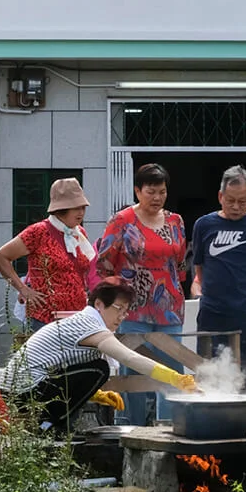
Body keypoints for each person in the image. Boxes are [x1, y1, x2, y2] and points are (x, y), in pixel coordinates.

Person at [0, 279, 199, 434]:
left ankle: (49, 425)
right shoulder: (89, 324)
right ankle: (48, 427)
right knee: (99, 369)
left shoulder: (85, 320)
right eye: (118, 309)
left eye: (126, 311)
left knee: (96, 367)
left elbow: (67, 370)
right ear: (99, 304)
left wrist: (96, 395)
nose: (122, 316)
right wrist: (175, 378)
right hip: (24, 390)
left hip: (20, 389)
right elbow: (129, 358)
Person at [94, 163, 189, 425]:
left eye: (162, 191)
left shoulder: (175, 221)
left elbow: (180, 265)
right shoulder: (121, 220)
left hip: (169, 308)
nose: (157, 198)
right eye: (151, 191)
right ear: (138, 190)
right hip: (131, 309)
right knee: (132, 370)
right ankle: (130, 428)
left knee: (172, 369)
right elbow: (103, 263)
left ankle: (171, 427)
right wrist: (117, 297)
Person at [191, 166, 246, 361]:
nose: (236, 207)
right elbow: (200, 266)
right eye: (230, 201)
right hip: (212, 312)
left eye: (242, 201)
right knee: (210, 368)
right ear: (220, 196)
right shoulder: (203, 225)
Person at [0, 178, 93, 332]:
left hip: (77, 317)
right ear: (61, 208)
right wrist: (23, 289)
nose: (81, 213)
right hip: (45, 318)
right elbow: (0, 257)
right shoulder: (38, 232)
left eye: (83, 207)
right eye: (75, 208)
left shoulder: (79, 233)